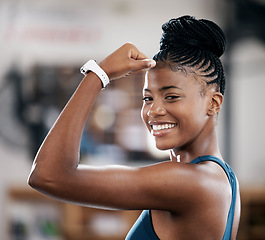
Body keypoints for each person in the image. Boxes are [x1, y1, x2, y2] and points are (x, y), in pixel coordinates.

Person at [28, 15, 241, 239]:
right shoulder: (226, 178)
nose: (154, 110)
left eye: (171, 96)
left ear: (213, 103)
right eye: (147, 98)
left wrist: (100, 74)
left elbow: (47, 175)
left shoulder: (189, 182)